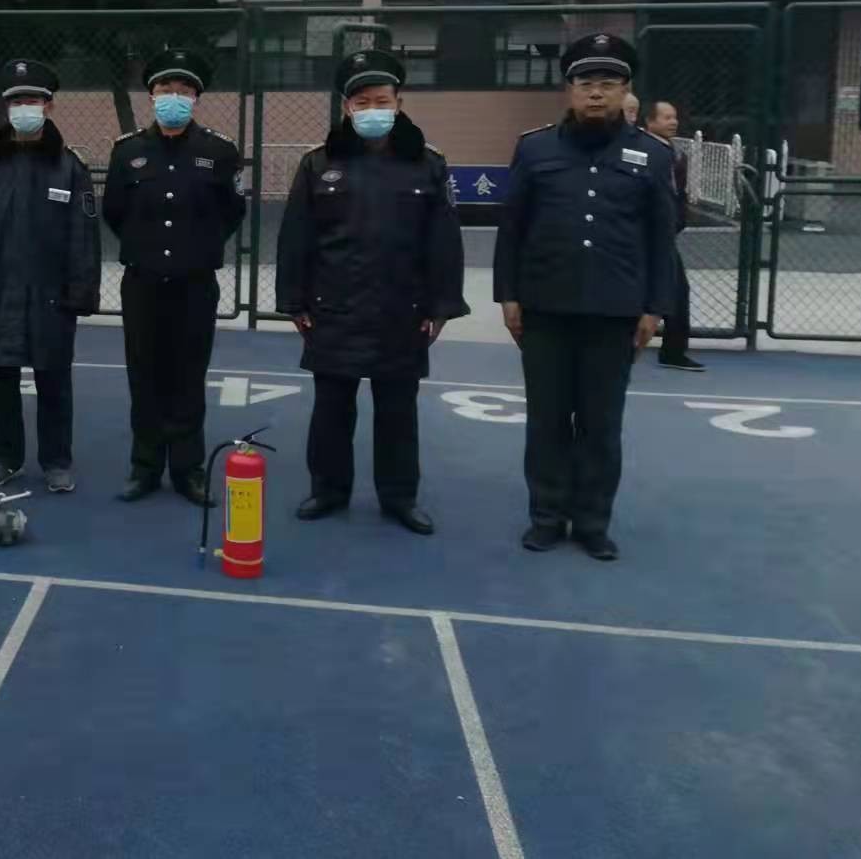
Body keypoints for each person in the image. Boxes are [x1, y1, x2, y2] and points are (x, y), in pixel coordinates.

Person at [494, 33, 676, 561]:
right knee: (547, 421)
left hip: (615, 312)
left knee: (600, 425)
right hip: (545, 308)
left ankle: (593, 522)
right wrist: (508, 295)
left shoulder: (653, 154)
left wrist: (654, 307)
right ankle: (547, 517)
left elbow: (660, 238)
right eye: (586, 83)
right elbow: (513, 228)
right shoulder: (535, 148)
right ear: (569, 90)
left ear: (626, 91)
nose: (596, 93)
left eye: (608, 84)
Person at [275, 49, 467, 535]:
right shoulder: (319, 163)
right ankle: (328, 490)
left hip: (403, 311)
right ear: (346, 107)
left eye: (382, 100)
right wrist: (294, 301)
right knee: (331, 409)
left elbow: (444, 240)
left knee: (398, 412)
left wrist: (441, 305)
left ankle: (399, 497)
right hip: (333, 309)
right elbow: (296, 237)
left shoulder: (427, 164)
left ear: (399, 103)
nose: (372, 109)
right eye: (362, 102)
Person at [0, 59, 100, 495]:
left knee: (54, 378)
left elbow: (83, 235)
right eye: (16, 101)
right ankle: (4, 458)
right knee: (2, 377)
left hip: (52, 294)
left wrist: (80, 291)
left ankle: (56, 460)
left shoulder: (70, 167)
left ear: (48, 106)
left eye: (31, 100)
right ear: (6, 107)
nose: (23, 108)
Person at [102, 48, 245, 506]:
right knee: (143, 375)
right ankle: (144, 466)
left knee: (188, 375)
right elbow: (115, 211)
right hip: (143, 282)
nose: (174, 98)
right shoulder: (128, 151)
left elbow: (231, 212)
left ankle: (188, 469)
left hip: (194, 283)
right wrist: (147, 247)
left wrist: (194, 248)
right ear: (151, 95)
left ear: (196, 98)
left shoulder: (219, 151)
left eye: (184, 91)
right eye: (166, 89)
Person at [646, 98, 703, 372]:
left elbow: (678, 197)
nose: (673, 122)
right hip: (637, 237)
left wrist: (676, 223)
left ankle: (673, 351)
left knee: (678, 291)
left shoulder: (676, 155)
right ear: (650, 122)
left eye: (674, 117)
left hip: (663, 238)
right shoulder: (638, 151)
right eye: (666, 117)